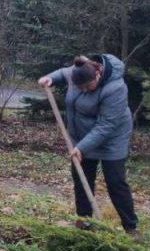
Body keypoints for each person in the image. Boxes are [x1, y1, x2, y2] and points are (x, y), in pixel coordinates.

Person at [38, 55, 139, 238]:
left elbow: (106, 125)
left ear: (98, 74)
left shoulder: (115, 88)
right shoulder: (79, 71)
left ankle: (130, 227)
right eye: (80, 87)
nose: (84, 90)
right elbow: (63, 73)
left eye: (88, 86)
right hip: (82, 136)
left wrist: (82, 147)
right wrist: (50, 78)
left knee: (115, 182)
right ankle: (85, 222)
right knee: (82, 178)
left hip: (111, 139)